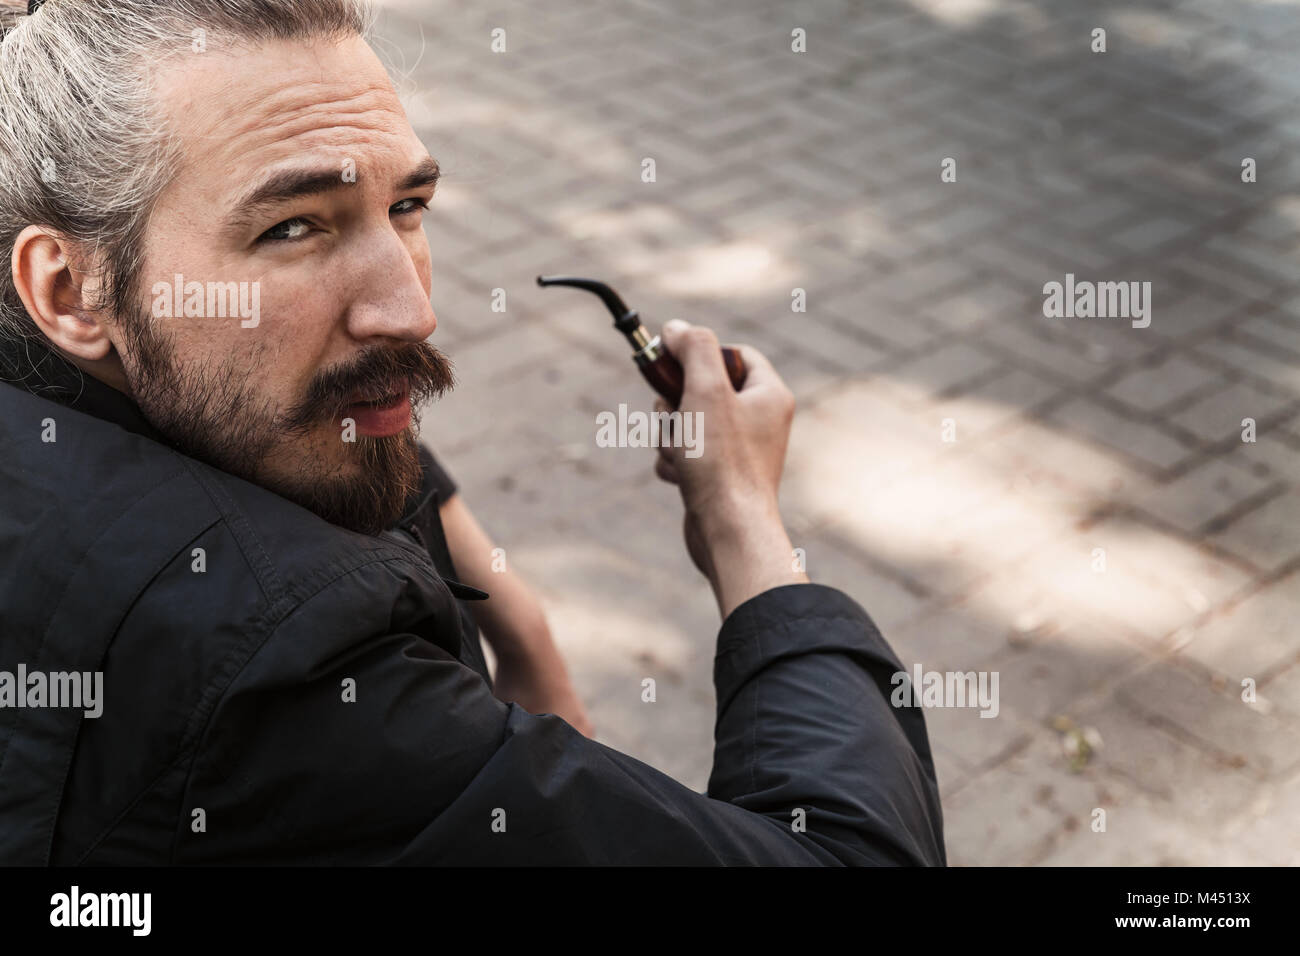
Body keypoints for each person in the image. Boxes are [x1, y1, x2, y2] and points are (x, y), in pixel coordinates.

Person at [0, 0, 945, 865]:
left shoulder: (79, 392)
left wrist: (516, 620)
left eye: (406, 208)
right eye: (292, 227)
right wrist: (745, 527)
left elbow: (290, 416)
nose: (412, 310)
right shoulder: (288, 676)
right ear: (70, 290)